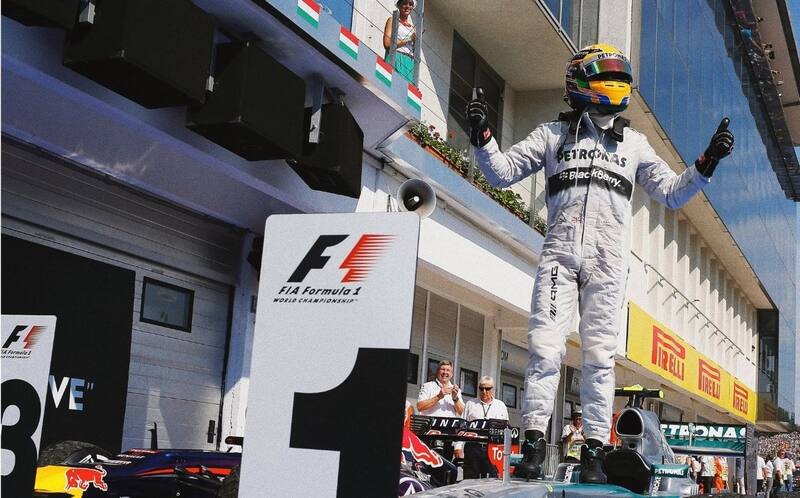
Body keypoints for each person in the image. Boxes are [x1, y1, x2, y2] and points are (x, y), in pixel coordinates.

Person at [465, 43, 734, 483]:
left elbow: (671, 192)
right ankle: (533, 446)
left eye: (621, 75)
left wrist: (708, 161)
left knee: (599, 357)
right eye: (610, 74)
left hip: (608, 262)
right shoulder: (552, 135)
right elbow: (502, 172)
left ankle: (593, 452)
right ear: (582, 81)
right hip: (559, 254)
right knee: (545, 349)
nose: (619, 82)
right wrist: (482, 135)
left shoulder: (634, 143)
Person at [462, 376, 509, 479]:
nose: (484, 391)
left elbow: (506, 429)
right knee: (469, 480)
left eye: (487, 389)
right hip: (473, 447)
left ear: (493, 389)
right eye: (481, 388)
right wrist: (458, 447)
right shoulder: (470, 404)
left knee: (491, 481)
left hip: (493, 448)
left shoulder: (501, 406)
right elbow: (462, 426)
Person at [383, 0, 416, 83]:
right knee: (392, 83)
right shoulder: (393, 20)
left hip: (409, 61)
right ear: (399, 5)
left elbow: (414, 51)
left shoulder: (413, 28)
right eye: (405, 3)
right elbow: (387, 43)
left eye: (410, 4)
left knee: (406, 88)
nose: (408, 6)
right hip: (396, 56)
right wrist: (409, 39)